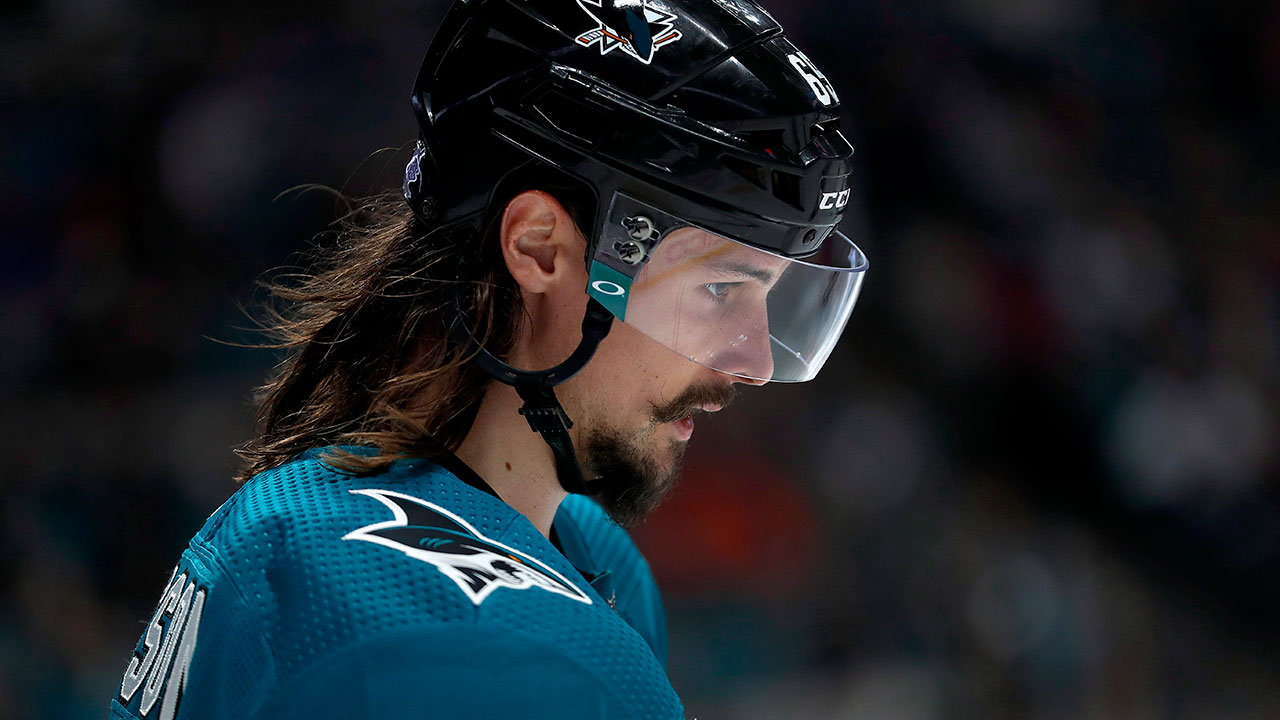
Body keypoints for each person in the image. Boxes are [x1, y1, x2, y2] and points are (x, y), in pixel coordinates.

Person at [109, 0, 867, 717]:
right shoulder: (502, 655)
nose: (752, 361)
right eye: (720, 288)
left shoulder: (318, 513)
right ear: (540, 247)